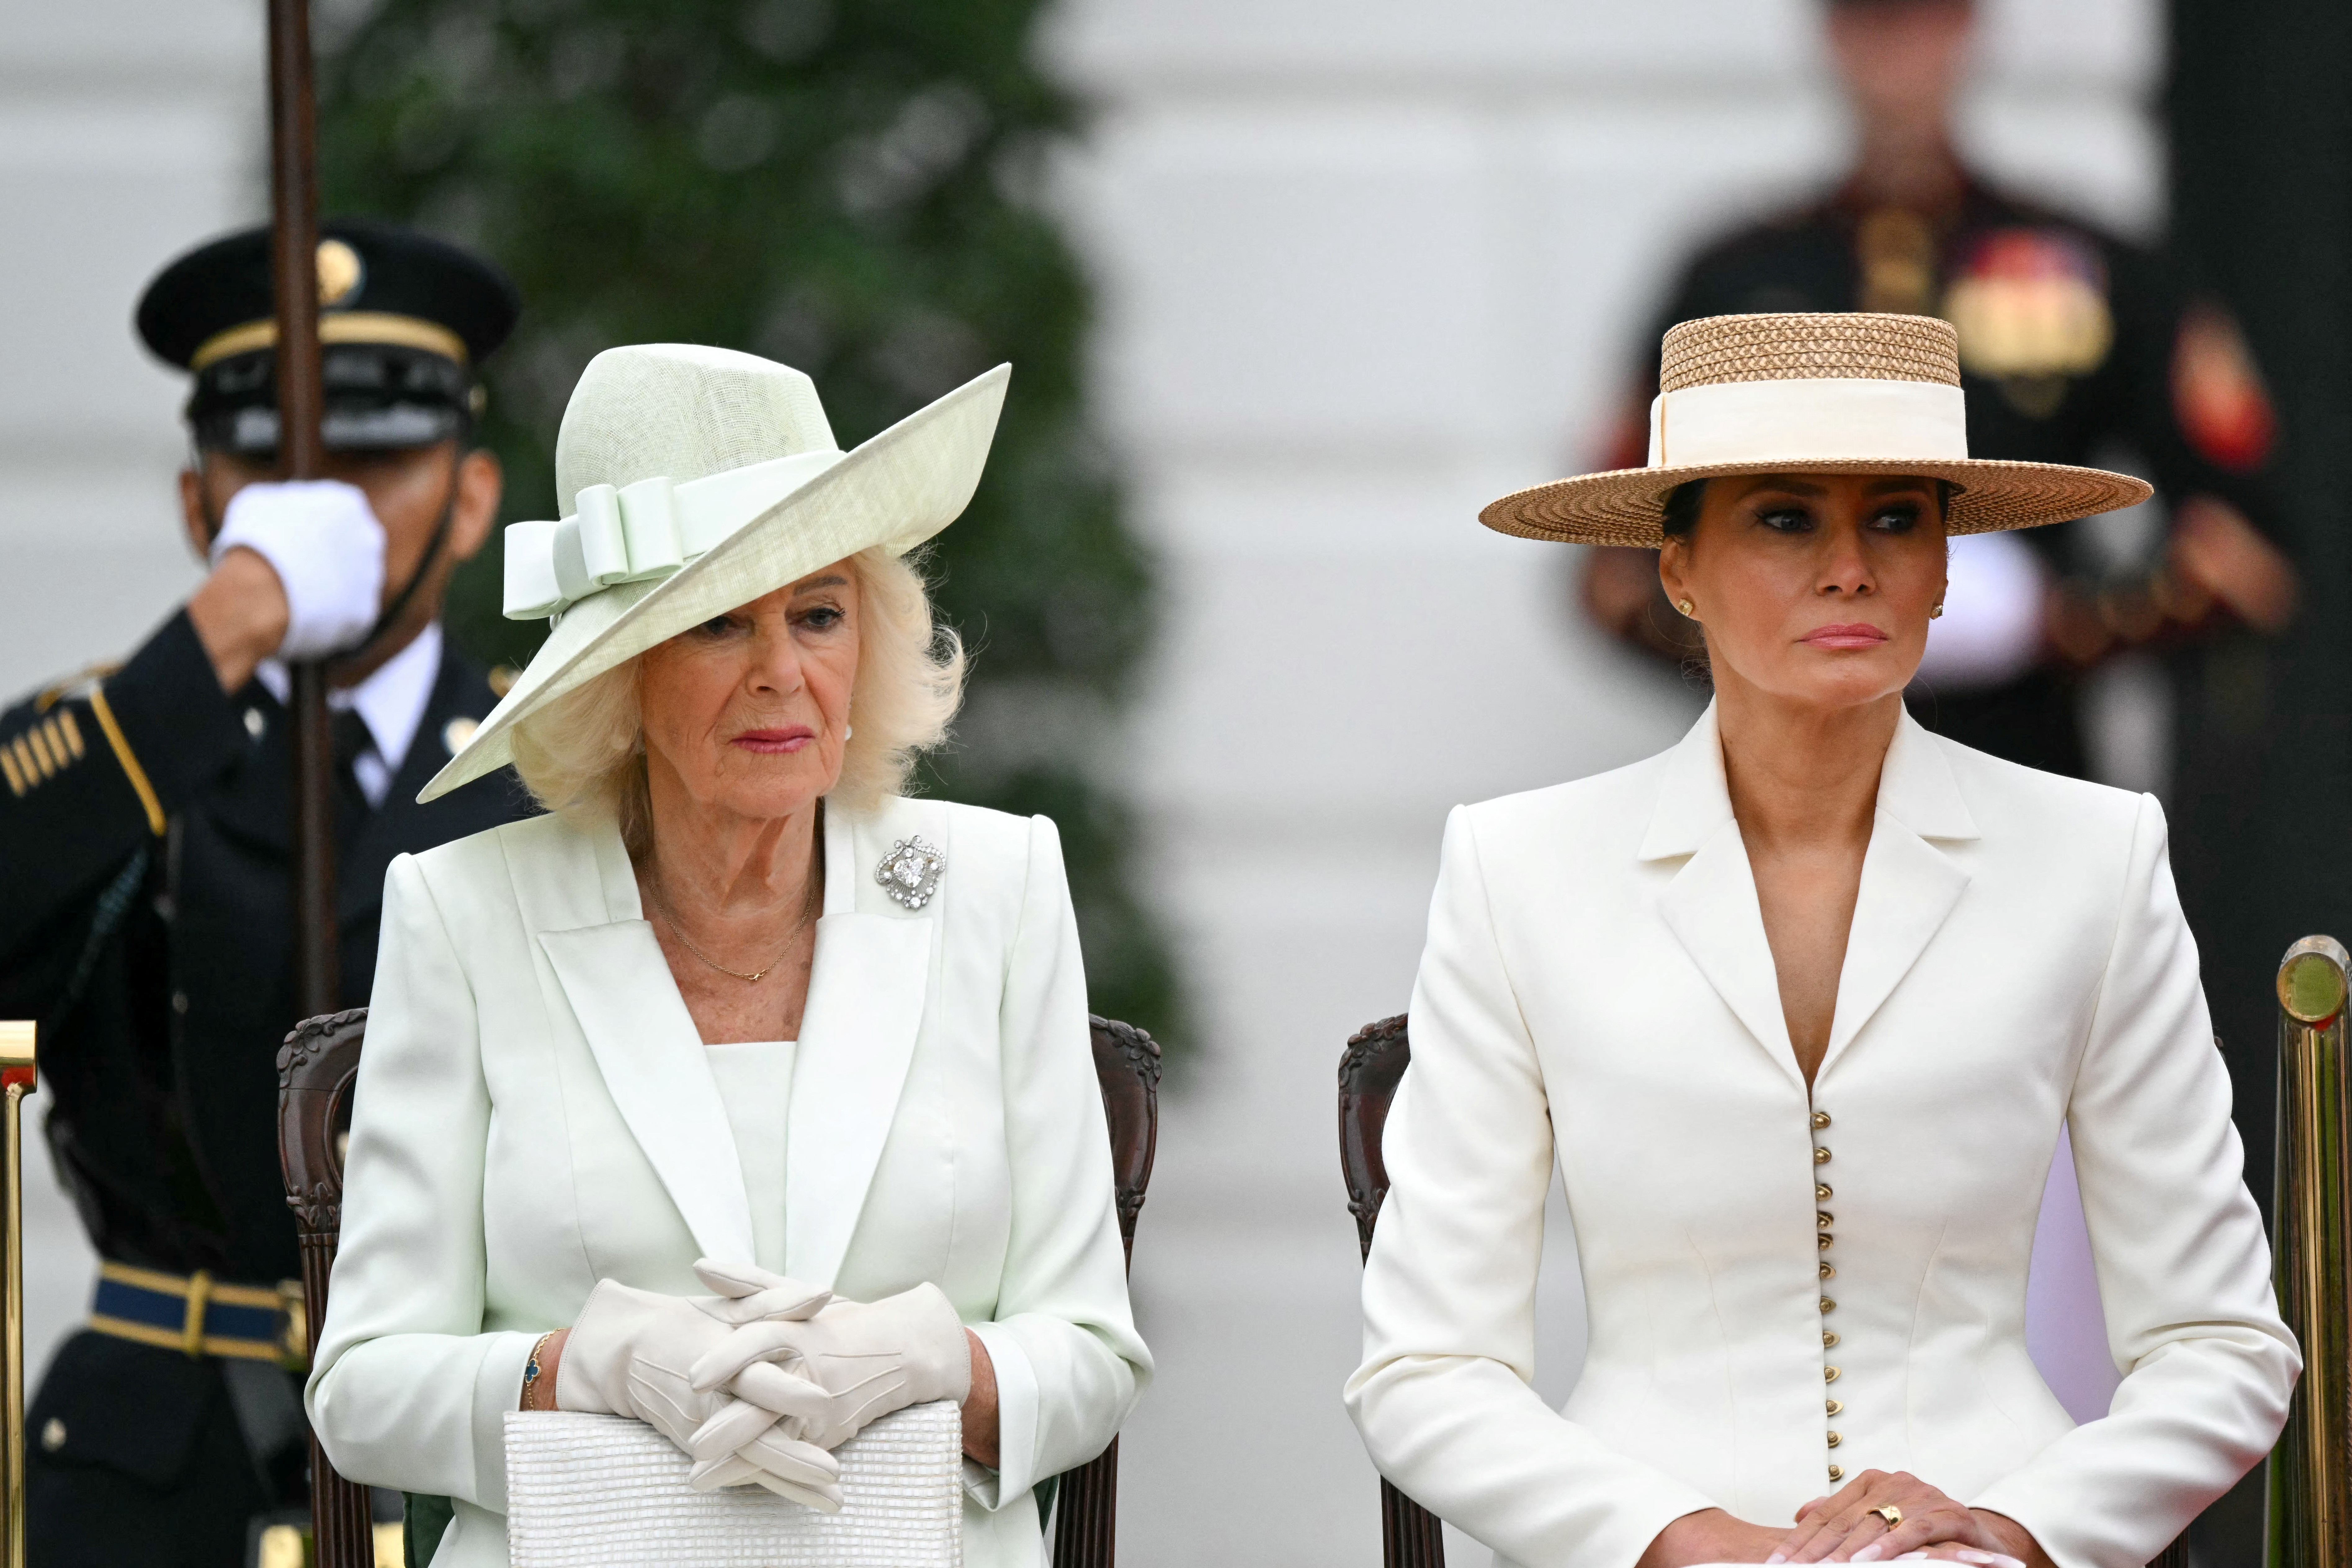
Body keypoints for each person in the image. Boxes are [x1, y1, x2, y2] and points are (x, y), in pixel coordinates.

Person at [1349, 312, 2296, 1568]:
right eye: (1783, 517)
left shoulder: (2095, 858)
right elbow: (1424, 1367)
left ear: (1945, 567)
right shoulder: (1515, 869)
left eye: (1895, 517)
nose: (1848, 566)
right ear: (1675, 567)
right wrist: (1686, 1541)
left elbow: (2222, 1344)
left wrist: (2013, 1526)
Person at [304, 344, 1150, 1568]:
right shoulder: (463, 912)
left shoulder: (999, 887)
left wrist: (929, 1364)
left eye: (817, 615)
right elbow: (364, 1391)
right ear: (618, 677)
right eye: (717, 625)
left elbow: (1091, 1355)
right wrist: (571, 1367)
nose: (781, 673)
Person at [0, 219, 533, 1565]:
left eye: (375, 461)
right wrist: (224, 629)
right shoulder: (106, 756)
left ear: (470, 501)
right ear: (200, 506)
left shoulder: (559, 766)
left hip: (473, 1459)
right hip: (157, 1470)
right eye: (272, 472)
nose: (327, 511)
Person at [1580, 0, 2296, 783]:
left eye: (1926, 19)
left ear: (1967, 29)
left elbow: (2244, 551)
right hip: (1782, 778)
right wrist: (1763, 627)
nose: (1899, 53)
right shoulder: (1733, 272)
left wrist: (2057, 621)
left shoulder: (2091, 263)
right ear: (1831, 35)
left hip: (2025, 762)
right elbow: (1611, 561)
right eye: (1871, 22)